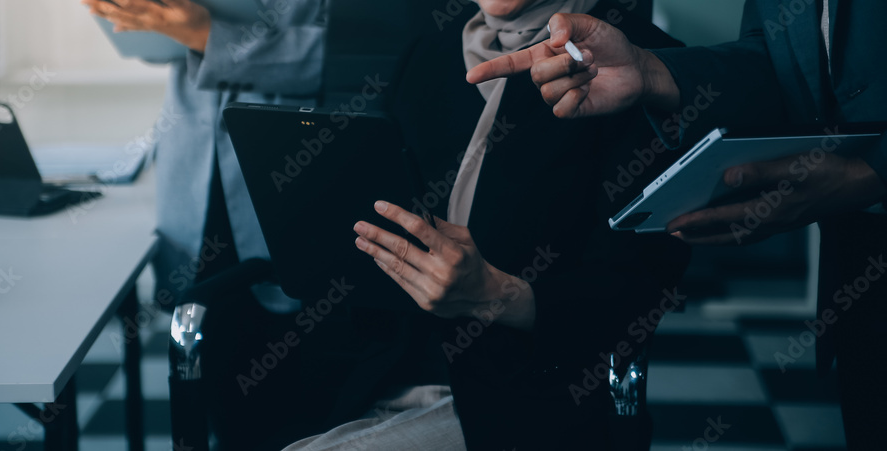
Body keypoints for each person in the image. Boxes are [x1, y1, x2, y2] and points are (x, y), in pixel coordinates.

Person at [470, 1, 887, 448]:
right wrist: (651, 73)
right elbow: (782, 60)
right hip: (860, 277)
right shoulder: (434, 57)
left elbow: (623, 286)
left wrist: (872, 174)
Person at [324, 0, 689, 449]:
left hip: (532, 399)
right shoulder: (430, 54)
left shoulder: (645, 63)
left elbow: (642, 286)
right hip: (388, 372)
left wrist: (496, 294)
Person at [82, 1, 359, 449]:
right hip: (195, 180)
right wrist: (145, 18)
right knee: (217, 391)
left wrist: (209, 36)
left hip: (292, 174)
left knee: (303, 403)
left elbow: (357, 54)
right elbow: (159, 51)